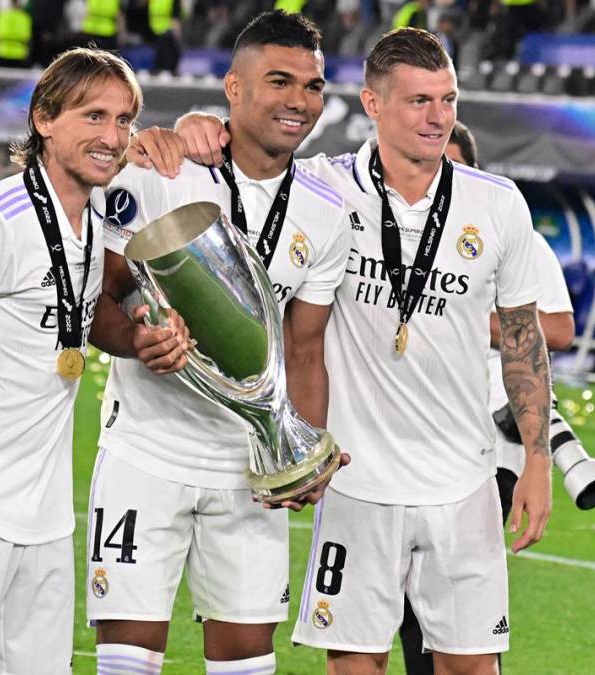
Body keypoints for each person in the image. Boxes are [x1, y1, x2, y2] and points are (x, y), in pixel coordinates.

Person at [174, 26, 553, 675]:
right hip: (355, 481)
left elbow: (523, 338)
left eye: (447, 99)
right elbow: (251, 154)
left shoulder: (496, 204)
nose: (438, 118)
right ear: (373, 105)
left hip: (461, 481)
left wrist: (538, 460)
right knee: (355, 662)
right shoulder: (324, 188)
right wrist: (192, 125)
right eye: (418, 101)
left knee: (471, 665)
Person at [0, 47, 190, 674]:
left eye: (124, 119)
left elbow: (84, 319)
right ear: (45, 120)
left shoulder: (97, 217)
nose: (113, 137)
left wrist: (139, 334)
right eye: (94, 116)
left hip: (46, 518)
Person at [87, 11, 350, 675]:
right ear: (232, 88)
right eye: (279, 81)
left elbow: (306, 346)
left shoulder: (324, 210)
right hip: (148, 448)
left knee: (245, 663)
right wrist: (139, 338)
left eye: (313, 86)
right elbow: (99, 295)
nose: (298, 101)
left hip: (247, 469)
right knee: (127, 660)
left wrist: (300, 445)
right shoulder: (162, 170)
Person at [397, 120, 575, 675]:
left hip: (489, 446)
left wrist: (473, 317)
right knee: (406, 602)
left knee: (456, 603)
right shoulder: (398, 232)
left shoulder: (506, 228)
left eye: (447, 163)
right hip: (405, 437)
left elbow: (560, 329)